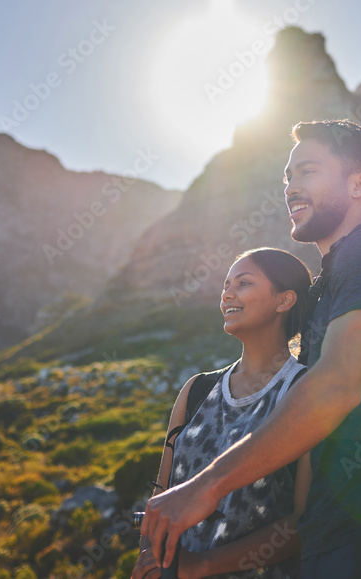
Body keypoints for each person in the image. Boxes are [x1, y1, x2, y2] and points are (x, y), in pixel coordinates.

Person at [141, 119, 361, 579]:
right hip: (344, 540)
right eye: (287, 177)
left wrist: (205, 487)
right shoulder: (334, 280)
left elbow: (337, 386)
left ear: (358, 184)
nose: (290, 188)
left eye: (307, 172)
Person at [132, 247, 314, 579]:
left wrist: (199, 566)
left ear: (284, 300)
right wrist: (149, 557)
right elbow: (161, 494)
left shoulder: (303, 391)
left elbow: (303, 523)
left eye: (243, 284)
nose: (226, 294)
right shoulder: (196, 390)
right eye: (225, 285)